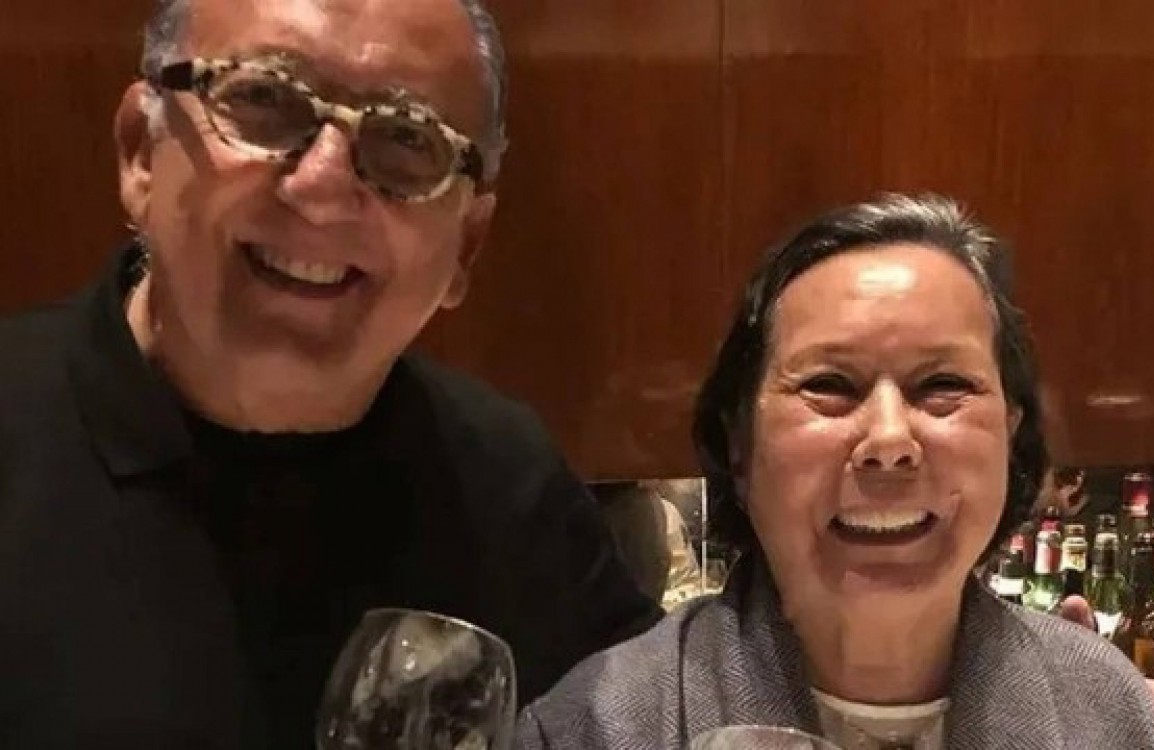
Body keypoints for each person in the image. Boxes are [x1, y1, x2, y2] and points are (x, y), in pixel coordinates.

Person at [0, 0, 661, 747]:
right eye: (263, 98)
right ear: (141, 154)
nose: (322, 188)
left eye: (408, 138)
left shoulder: (510, 487)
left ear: (466, 246)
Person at [516, 194, 1154, 749]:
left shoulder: (1110, 713)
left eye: (943, 385)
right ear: (739, 447)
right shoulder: (592, 728)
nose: (889, 440)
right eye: (830, 385)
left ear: (1010, 436)